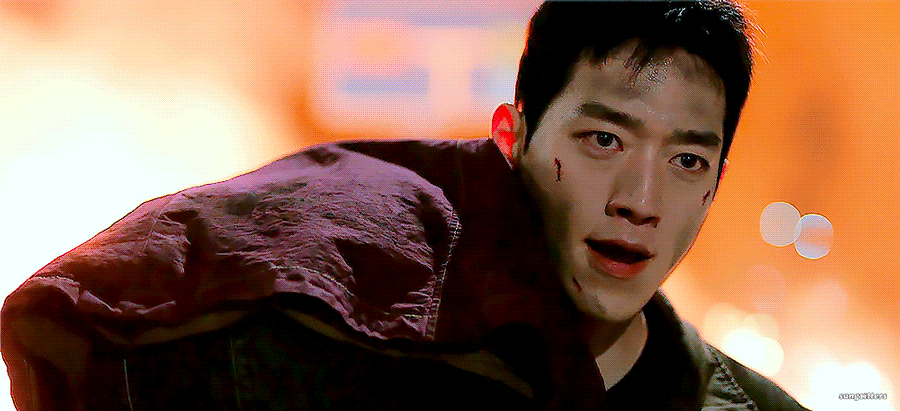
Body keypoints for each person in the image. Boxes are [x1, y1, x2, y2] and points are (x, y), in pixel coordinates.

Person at [2, 1, 810, 410]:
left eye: (687, 161)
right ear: (512, 138)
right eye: (603, 141)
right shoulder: (356, 332)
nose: (641, 200)